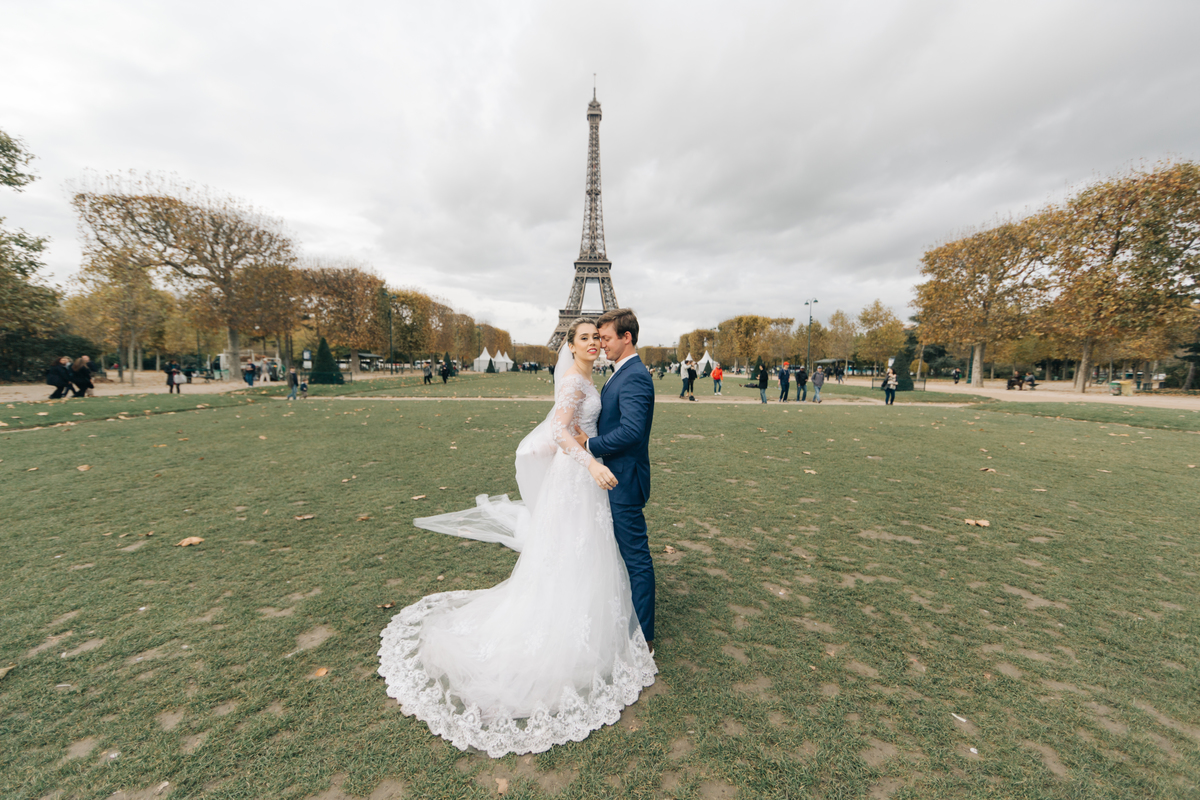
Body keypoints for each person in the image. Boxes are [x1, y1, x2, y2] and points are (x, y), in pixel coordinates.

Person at [379, 313, 656, 758]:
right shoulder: (575, 381)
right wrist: (588, 456)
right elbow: (560, 430)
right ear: (570, 343)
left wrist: (589, 449)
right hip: (585, 474)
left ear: (621, 338)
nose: (595, 344)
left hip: (593, 475)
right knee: (581, 550)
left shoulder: (604, 377)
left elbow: (603, 430)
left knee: (589, 553)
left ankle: (615, 624)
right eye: (586, 338)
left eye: (599, 337)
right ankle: (602, 627)